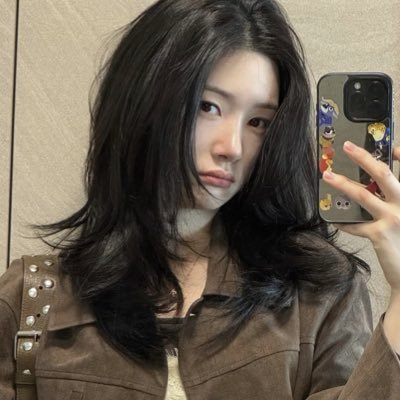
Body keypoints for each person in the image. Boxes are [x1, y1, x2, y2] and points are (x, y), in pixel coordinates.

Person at [1, 0, 400, 398]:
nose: (232, 147)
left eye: (258, 122)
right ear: (143, 101)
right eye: (209, 107)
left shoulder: (320, 293)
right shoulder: (31, 302)